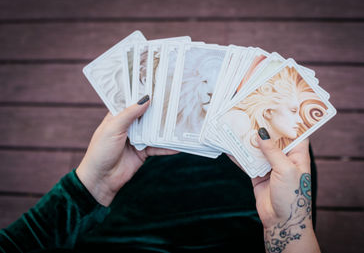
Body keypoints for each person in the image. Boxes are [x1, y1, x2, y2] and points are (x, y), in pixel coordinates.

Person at [0, 95, 321, 253]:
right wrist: (288, 226)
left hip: (120, 226)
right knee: (280, 159)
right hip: (239, 224)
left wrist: (91, 185)